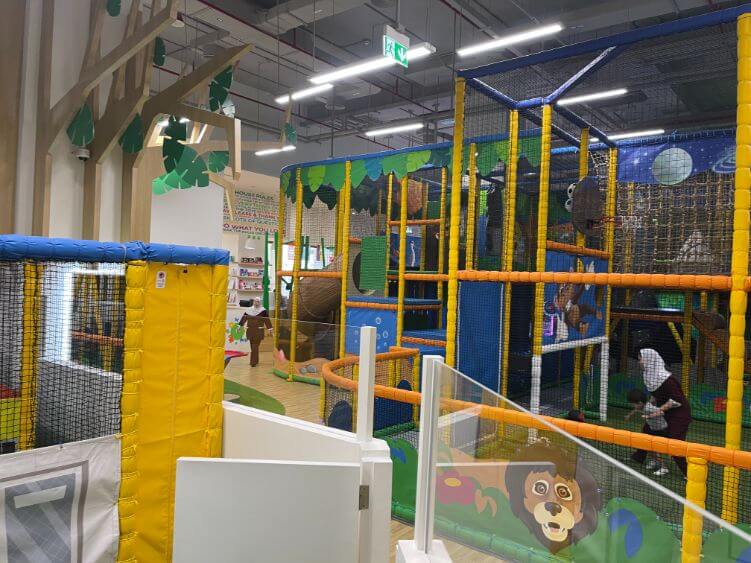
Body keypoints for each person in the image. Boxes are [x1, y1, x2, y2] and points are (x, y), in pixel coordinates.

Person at [630, 348, 692, 476]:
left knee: (674, 442)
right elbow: (655, 396)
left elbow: (676, 399)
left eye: (641, 359)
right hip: (664, 411)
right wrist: (648, 406)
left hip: (679, 414)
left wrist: (659, 410)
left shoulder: (667, 380)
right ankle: (639, 457)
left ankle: (689, 473)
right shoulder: (648, 376)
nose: (639, 362)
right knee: (647, 431)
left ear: (649, 360)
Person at [625, 388, 678, 476]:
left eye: (633, 404)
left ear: (640, 403)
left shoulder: (649, 408)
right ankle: (655, 461)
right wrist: (629, 415)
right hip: (653, 429)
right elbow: (636, 410)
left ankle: (664, 468)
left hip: (662, 430)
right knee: (648, 447)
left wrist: (649, 416)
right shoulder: (641, 406)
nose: (633, 406)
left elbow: (661, 413)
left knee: (655, 449)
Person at [239, 298, 272, 367]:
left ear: (260, 302)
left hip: (258, 331)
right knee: (253, 347)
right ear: (253, 302)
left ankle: (253, 362)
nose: (256, 303)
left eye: (258, 301)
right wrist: (240, 326)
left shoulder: (263, 311)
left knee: (255, 346)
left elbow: (267, 320)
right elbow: (243, 319)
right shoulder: (248, 310)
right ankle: (256, 360)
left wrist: (270, 329)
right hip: (250, 331)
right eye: (255, 301)